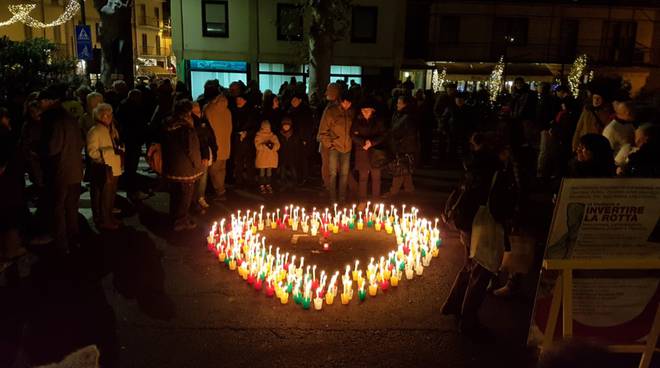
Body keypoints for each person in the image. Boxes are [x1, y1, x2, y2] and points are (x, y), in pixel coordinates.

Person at [442, 132, 502, 339]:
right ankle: (468, 321)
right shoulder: (491, 167)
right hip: (480, 222)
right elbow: (494, 199)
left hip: (465, 221)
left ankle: (454, 304)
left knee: (470, 263)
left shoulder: (472, 163)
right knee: (481, 269)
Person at [38, 85, 85, 255]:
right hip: (74, 169)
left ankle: (62, 243)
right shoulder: (69, 117)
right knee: (71, 207)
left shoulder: (52, 118)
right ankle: (74, 238)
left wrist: (39, 150)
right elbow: (80, 142)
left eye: (41, 102)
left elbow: (52, 148)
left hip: (60, 172)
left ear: (47, 101)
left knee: (58, 208)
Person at [161, 100, 203, 231]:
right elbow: (191, 149)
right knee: (185, 195)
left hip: (172, 166)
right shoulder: (186, 129)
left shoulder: (168, 124)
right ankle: (181, 221)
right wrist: (197, 164)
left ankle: (174, 217)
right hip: (185, 168)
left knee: (175, 194)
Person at [86, 103, 124, 230]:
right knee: (104, 196)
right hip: (105, 167)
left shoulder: (111, 129)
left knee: (111, 194)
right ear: (103, 116)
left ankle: (109, 217)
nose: (111, 117)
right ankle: (104, 219)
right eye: (109, 114)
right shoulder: (95, 131)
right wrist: (107, 154)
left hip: (114, 165)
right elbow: (92, 152)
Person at [318, 91, 355, 203]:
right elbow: (323, 131)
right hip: (334, 147)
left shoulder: (351, 112)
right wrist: (330, 145)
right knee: (333, 174)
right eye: (347, 103)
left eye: (350, 103)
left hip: (347, 148)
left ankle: (342, 198)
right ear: (342, 101)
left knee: (344, 174)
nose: (349, 105)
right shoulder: (331, 111)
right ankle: (333, 199)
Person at [115, 89, 150, 201]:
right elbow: (139, 123)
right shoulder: (134, 108)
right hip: (133, 139)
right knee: (131, 166)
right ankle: (132, 191)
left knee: (130, 165)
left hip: (129, 138)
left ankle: (130, 188)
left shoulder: (123, 106)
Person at [351, 99, 386, 202]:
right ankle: (362, 200)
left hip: (375, 153)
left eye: (368, 110)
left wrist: (372, 142)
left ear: (372, 110)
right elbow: (352, 134)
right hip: (362, 152)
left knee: (376, 177)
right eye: (363, 110)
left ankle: (376, 200)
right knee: (363, 178)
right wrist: (363, 142)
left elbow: (383, 134)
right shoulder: (357, 120)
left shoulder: (378, 121)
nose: (365, 112)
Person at [384, 95, 418, 197]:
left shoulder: (408, 117)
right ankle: (409, 188)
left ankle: (393, 191)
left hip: (404, 147)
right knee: (405, 169)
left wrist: (398, 143)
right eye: (397, 102)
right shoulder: (397, 114)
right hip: (399, 145)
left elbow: (405, 133)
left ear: (405, 104)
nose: (397, 104)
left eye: (400, 103)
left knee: (399, 169)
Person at [204, 94, 232, 201]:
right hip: (226, 145)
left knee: (214, 170)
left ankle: (220, 192)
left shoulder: (210, 109)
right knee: (222, 169)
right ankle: (221, 189)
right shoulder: (228, 111)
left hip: (215, 146)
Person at [192, 101, 218, 210]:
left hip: (205, 152)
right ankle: (197, 198)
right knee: (199, 177)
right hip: (198, 154)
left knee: (203, 176)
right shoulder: (194, 123)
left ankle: (200, 197)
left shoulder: (203, 121)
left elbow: (211, 136)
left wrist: (214, 149)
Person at [571, 88, 613, 152]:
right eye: (594, 98)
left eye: (599, 98)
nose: (596, 100)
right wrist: (575, 145)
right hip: (584, 144)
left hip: (596, 145)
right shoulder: (587, 109)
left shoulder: (607, 112)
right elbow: (579, 128)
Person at [231, 94, 259, 186]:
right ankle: (239, 181)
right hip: (237, 139)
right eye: (237, 99)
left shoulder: (251, 112)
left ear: (245, 100)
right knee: (238, 161)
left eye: (240, 99)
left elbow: (255, 126)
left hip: (248, 141)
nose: (238, 101)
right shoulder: (233, 111)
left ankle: (251, 180)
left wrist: (247, 133)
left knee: (249, 161)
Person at [318, 83, 341, 190]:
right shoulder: (331, 106)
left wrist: (329, 142)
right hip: (330, 141)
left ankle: (330, 187)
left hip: (332, 142)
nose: (326, 93)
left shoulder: (333, 107)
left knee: (331, 166)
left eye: (328, 90)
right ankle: (329, 186)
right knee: (330, 165)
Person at [288, 92, 316, 183]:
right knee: (296, 157)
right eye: (292, 100)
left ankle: (303, 177)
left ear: (300, 100)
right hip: (294, 137)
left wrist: (305, 138)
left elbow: (307, 126)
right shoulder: (292, 110)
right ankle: (297, 176)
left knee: (303, 158)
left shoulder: (305, 110)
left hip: (302, 138)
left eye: (295, 100)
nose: (293, 102)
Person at [602, 100, 635, 168]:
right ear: (627, 113)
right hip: (618, 165)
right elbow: (605, 152)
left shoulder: (629, 124)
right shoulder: (611, 129)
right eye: (633, 111)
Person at [254, 120, 280, 194]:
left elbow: (278, 146)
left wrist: (272, 146)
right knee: (262, 172)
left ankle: (268, 185)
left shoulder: (273, 136)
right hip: (262, 158)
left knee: (269, 172)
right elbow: (257, 146)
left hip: (270, 158)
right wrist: (266, 146)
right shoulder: (258, 135)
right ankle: (262, 185)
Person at [277, 117, 302, 190]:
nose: (286, 126)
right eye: (284, 125)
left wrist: (297, 155)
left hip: (292, 156)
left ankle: (295, 184)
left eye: (287, 125)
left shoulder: (294, 135)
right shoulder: (279, 135)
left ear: (290, 125)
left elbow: (297, 146)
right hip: (282, 155)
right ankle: (283, 184)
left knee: (293, 169)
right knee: (282, 171)